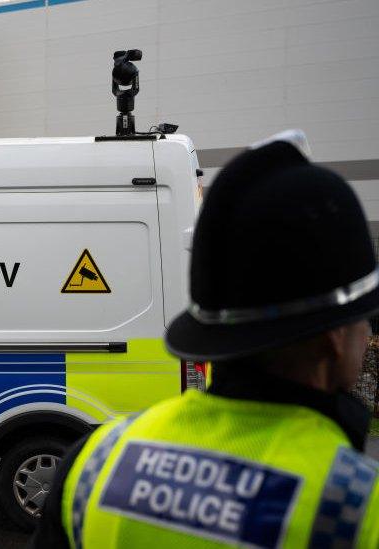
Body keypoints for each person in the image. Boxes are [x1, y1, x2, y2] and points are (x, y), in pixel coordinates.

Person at [30, 132, 379, 548]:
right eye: (367, 319)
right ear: (335, 337)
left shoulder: (96, 463)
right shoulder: (357, 506)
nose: (369, 333)